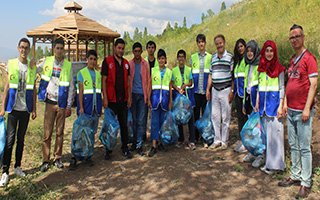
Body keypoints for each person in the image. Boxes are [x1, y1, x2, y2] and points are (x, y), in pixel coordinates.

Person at [278, 24, 318, 199]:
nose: (294, 39)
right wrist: (286, 103)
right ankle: (295, 175)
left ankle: (306, 182)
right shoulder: (293, 59)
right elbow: (289, 84)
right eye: (291, 37)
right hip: (292, 109)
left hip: (303, 110)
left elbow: (314, 85)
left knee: (304, 147)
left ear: (303, 37)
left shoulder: (309, 58)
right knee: (293, 145)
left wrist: (307, 108)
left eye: (297, 36)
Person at [0, 38, 37, 186]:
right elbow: (7, 87)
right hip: (13, 108)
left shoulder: (32, 67)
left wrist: (34, 108)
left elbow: (33, 89)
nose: (23, 50)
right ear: (18, 48)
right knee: (10, 140)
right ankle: (5, 171)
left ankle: (18, 167)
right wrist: (2, 107)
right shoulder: (12, 64)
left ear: (28, 50)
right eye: (21, 47)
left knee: (21, 140)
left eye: (26, 48)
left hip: (25, 109)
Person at [38, 38, 74, 172]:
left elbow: (71, 87)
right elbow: (34, 69)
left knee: (59, 132)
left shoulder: (68, 65)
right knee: (47, 133)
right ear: (53, 49)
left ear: (64, 50)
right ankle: (45, 160)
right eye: (57, 48)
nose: (59, 50)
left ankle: (57, 158)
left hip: (62, 103)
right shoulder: (47, 62)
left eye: (61, 48)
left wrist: (69, 105)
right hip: (49, 102)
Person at [257, 40, 286, 175]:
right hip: (264, 107)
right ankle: (269, 163)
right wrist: (257, 103)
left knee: (276, 136)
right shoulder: (261, 69)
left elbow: (281, 88)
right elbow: (259, 88)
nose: (269, 53)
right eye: (267, 51)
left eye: (271, 51)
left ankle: (277, 165)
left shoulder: (279, 69)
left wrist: (281, 105)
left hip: (274, 107)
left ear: (274, 53)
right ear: (263, 52)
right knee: (268, 137)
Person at [69, 50, 102, 168]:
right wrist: (81, 107)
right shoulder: (81, 74)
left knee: (91, 132)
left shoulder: (98, 74)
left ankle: (88, 155)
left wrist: (100, 107)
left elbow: (99, 92)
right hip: (85, 108)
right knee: (80, 133)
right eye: (91, 59)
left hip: (95, 108)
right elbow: (80, 92)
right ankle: (75, 156)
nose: (93, 61)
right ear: (87, 60)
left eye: (94, 59)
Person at [101, 38, 132, 160]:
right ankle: (108, 150)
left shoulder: (126, 64)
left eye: (123, 48)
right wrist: (105, 98)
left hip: (123, 100)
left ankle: (125, 147)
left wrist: (129, 97)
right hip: (111, 100)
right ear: (115, 48)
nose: (121, 50)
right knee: (110, 126)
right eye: (119, 48)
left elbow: (129, 82)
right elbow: (103, 80)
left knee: (124, 125)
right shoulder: (107, 61)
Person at [206, 34, 234, 150]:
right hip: (215, 90)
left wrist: (232, 90)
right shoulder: (213, 58)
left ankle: (224, 141)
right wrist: (208, 89)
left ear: (224, 42)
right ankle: (216, 140)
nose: (219, 45)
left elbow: (233, 76)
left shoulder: (230, 57)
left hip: (226, 90)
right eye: (217, 44)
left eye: (220, 43)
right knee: (215, 116)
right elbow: (211, 75)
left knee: (225, 116)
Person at [241, 40, 263, 168]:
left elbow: (260, 84)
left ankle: (260, 153)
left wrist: (258, 102)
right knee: (250, 127)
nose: (249, 53)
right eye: (248, 51)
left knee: (258, 128)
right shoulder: (247, 65)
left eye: (251, 51)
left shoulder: (259, 65)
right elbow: (246, 84)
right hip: (249, 98)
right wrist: (244, 103)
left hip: (257, 100)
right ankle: (252, 151)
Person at [148, 49, 172, 157]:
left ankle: (162, 142)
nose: (161, 60)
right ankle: (154, 145)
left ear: (165, 59)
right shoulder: (153, 70)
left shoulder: (169, 72)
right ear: (157, 60)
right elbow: (149, 85)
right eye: (160, 58)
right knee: (154, 123)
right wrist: (148, 99)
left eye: (163, 58)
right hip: (155, 100)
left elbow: (170, 87)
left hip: (165, 101)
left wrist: (170, 101)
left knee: (163, 123)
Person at [128, 42, 150, 156]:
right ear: (133, 52)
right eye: (135, 51)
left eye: (139, 51)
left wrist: (148, 97)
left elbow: (148, 81)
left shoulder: (145, 64)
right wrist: (128, 97)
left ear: (141, 52)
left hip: (142, 95)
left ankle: (139, 144)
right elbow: (127, 81)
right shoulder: (129, 64)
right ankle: (134, 142)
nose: (137, 53)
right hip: (133, 95)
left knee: (141, 120)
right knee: (134, 120)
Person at [171, 49, 196, 150]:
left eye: (182, 57)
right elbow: (171, 83)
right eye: (179, 56)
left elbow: (191, 82)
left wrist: (185, 85)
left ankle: (192, 140)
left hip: (187, 97)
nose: (181, 58)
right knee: (179, 117)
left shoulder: (189, 69)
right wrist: (177, 88)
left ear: (185, 58)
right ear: (177, 58)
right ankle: (181, 139)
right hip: (178, 97)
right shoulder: (174, 70)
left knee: (190, 117)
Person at [190, 34, 212, 145]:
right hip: (196, 92)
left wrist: (208, 90)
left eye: (202, 41)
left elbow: (210, 75)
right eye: (199, 42)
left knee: (205, 116)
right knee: (195, 115)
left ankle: (205, 138)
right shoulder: (193, 57)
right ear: (197, 43)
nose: (201, 44)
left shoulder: (210, 57)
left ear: (205, 43)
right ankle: (195, 138)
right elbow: (191, 75)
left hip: (205, 92)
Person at [233, 39, 248, 153]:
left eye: (242, 46)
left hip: (246, 95)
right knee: (240, 118)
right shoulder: (237, 62)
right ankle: (242, 139)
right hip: (238, 94)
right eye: (238, 47)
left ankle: (248, 141)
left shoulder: (247, 61)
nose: (240, 49)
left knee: (246, 118)